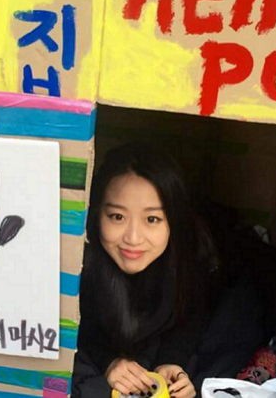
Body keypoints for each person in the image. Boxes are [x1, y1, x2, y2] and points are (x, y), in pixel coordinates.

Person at [71, 143, 218, 397]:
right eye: (117, 217)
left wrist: (172, 362)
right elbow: (80, 325)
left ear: (173, 221)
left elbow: (191, 315)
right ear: (95, 214)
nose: (133, 238)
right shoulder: (79, 261)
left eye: (152, 219)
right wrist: (109, 361)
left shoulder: (191, 257)